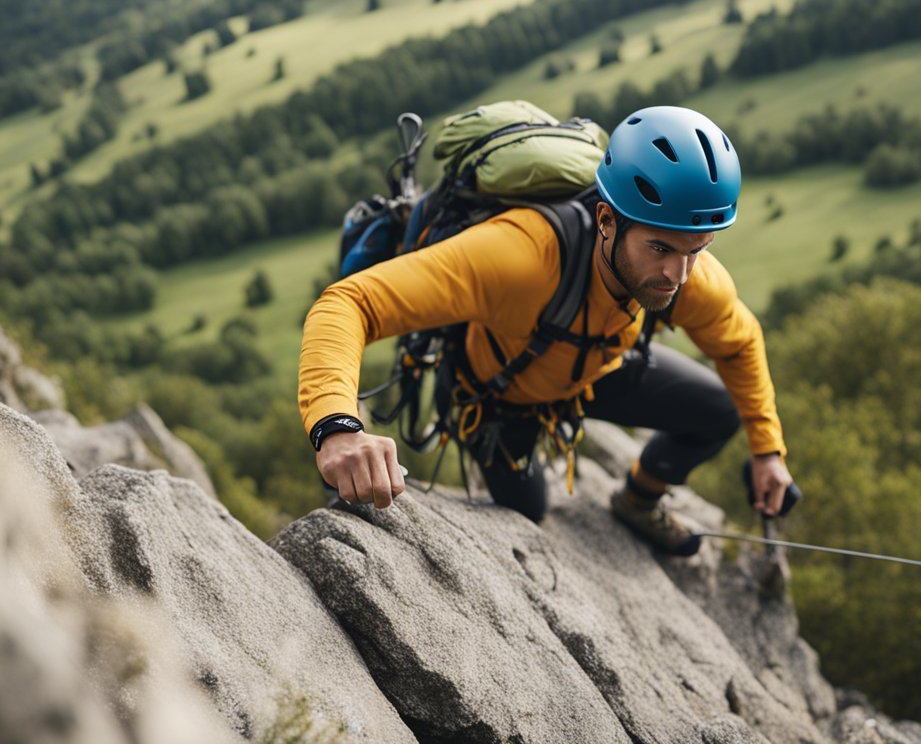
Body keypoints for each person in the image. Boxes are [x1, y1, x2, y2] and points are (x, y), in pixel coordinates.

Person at [298, 106, 793, 556]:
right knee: (528, 513)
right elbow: (350, 302)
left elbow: (740, 341)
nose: (678, 276)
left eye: (697, 250)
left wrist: (768, 452)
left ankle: (639, 500)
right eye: (660, 249)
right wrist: (336, 428)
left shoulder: (686, 278)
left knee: (718, 410)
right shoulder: (518, 259)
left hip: (594, 369)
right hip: (500, 397)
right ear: (607, 219)